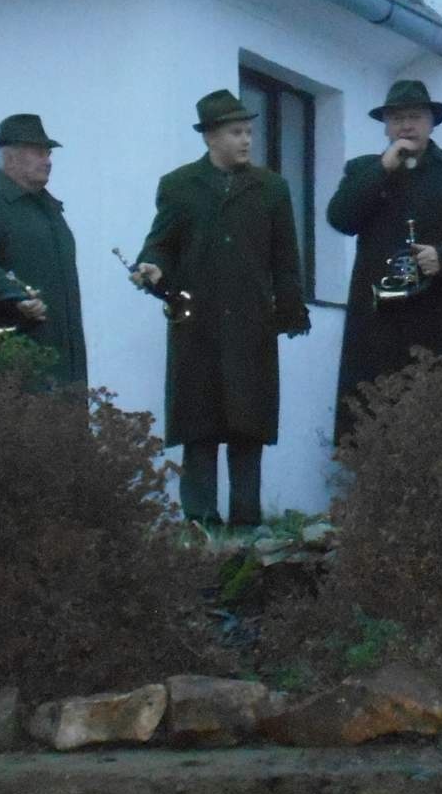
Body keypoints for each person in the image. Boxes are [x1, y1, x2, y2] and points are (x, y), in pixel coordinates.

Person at [133, 89, 310, 528]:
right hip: (197, 325)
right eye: (236, 132)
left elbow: (286, 259)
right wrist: (152, 267)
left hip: (251, 325)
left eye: (249, 131)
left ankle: (247, 526)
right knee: (200, 429)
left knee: (248, 429)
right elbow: (160, 243)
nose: (246, 140)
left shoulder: (271, 188)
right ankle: (200, 526)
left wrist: (289, 312)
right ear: (211, 137)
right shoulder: (179, 186)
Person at [325, 79, 442, 443]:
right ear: (386, 127)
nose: (406, 126)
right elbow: (340, 219)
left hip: (438, 319)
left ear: (431, 122)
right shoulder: (363, 170)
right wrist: (382, 169)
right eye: (397, 119)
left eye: (415, 117)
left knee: (438, 430)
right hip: (378, 325)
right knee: (372, 428)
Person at [0, 113, 88, 385]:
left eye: (48, 153)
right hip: (10, 366)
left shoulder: (49, 210)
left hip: (64, 366)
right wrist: (15, 296)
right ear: (10, 157)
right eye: (38, 152)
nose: (48, 161)